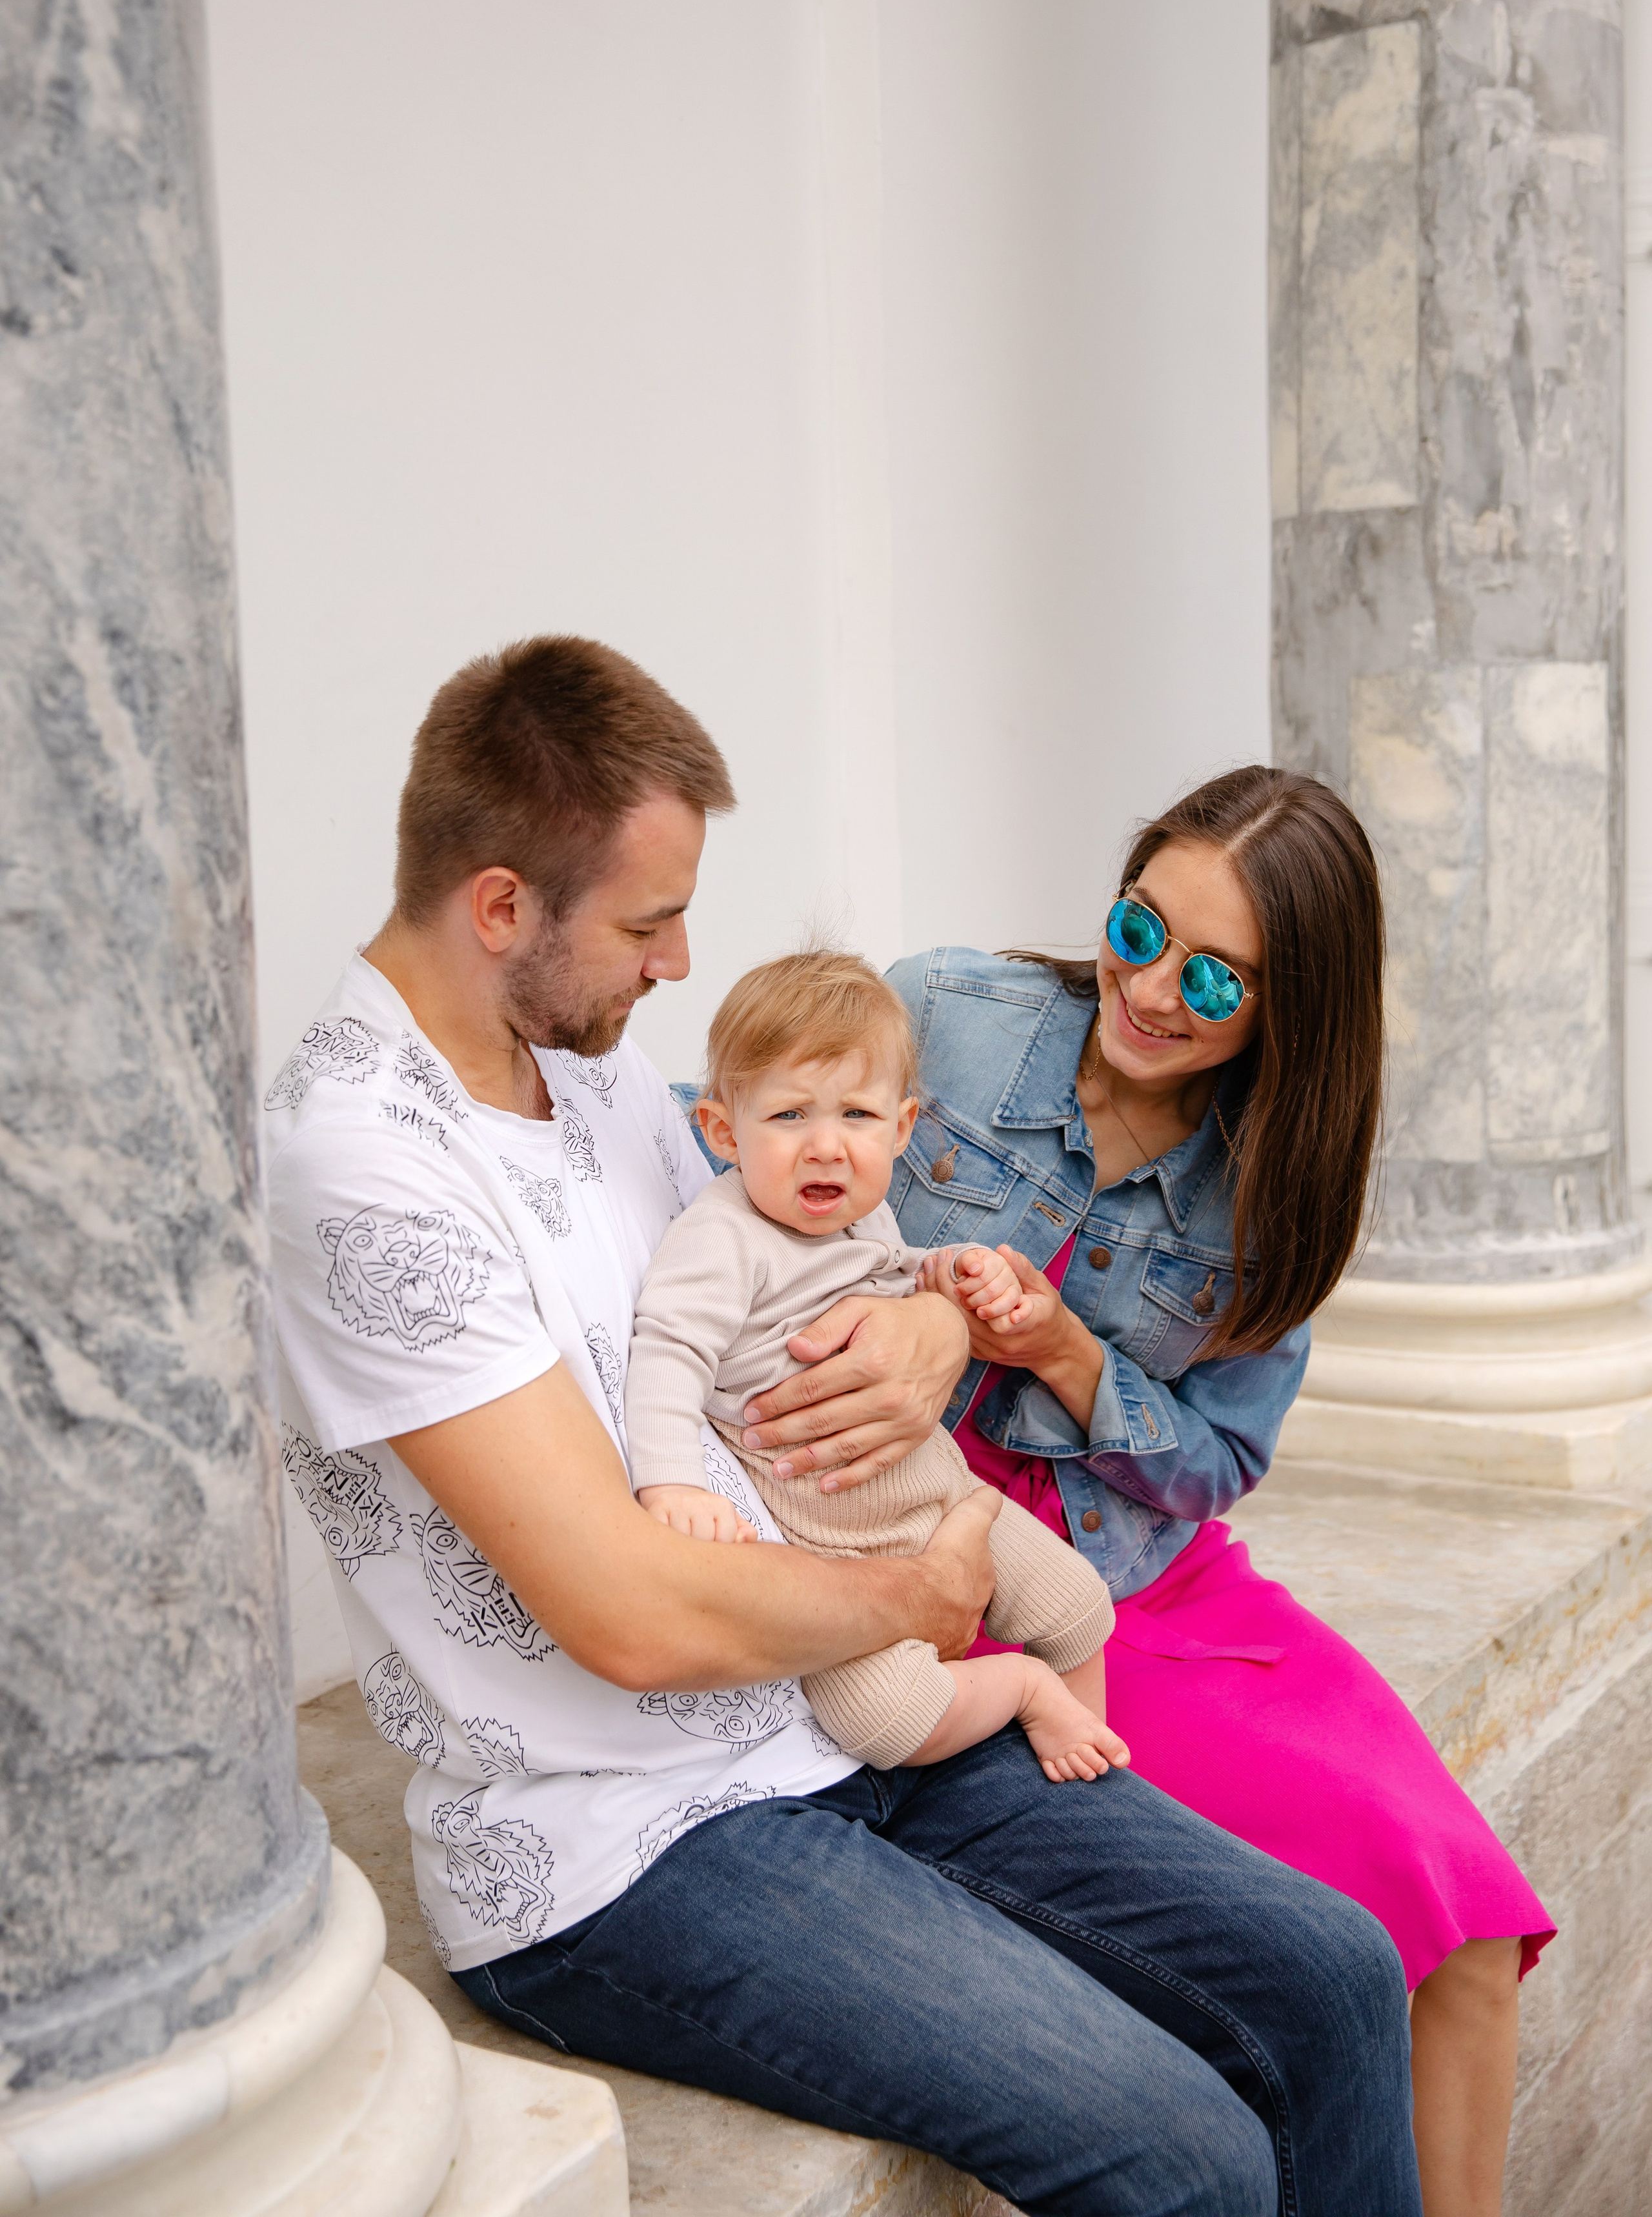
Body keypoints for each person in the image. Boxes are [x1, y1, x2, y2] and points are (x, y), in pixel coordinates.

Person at [268, 636, 1424, 2217]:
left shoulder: (584, 1070)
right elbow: (627, 1615)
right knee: (1186, 2157)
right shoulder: (366, 1166)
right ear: (499, 908)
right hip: (629, 1841)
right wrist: (924, 1595)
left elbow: (806, 1253)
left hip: (835, 1720)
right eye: (649, 924)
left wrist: (940, 1318)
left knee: (1337, 1978)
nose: (680, 964)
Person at [845, 766, 1551, 2217]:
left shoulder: (1275, 1178)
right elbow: (742, 1154)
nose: (1153, 989)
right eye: (1138, 927)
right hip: (955, 1564)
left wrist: (1067, 1354)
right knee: (1327, 1962)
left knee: (1471, 1936)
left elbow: (1220, 1463)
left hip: (1144, 1573)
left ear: (1293, 1010)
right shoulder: (941, 1013)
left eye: (1215, 977)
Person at [625, 948, 1122, 1782]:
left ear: (900, 1129)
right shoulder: (724, 1237)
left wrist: (957, 1271)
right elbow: (667, 1350)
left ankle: (1092, 1777)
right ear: (724, 1131)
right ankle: (1025, 1691)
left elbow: (898, 1270)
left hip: (942, 1492)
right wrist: (672, 1483)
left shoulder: (868, 1217)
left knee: (1077, 1606)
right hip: (837, 1555)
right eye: (789, 1115)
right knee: (886, 1721)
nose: (826, 1147)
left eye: (856, 1115)